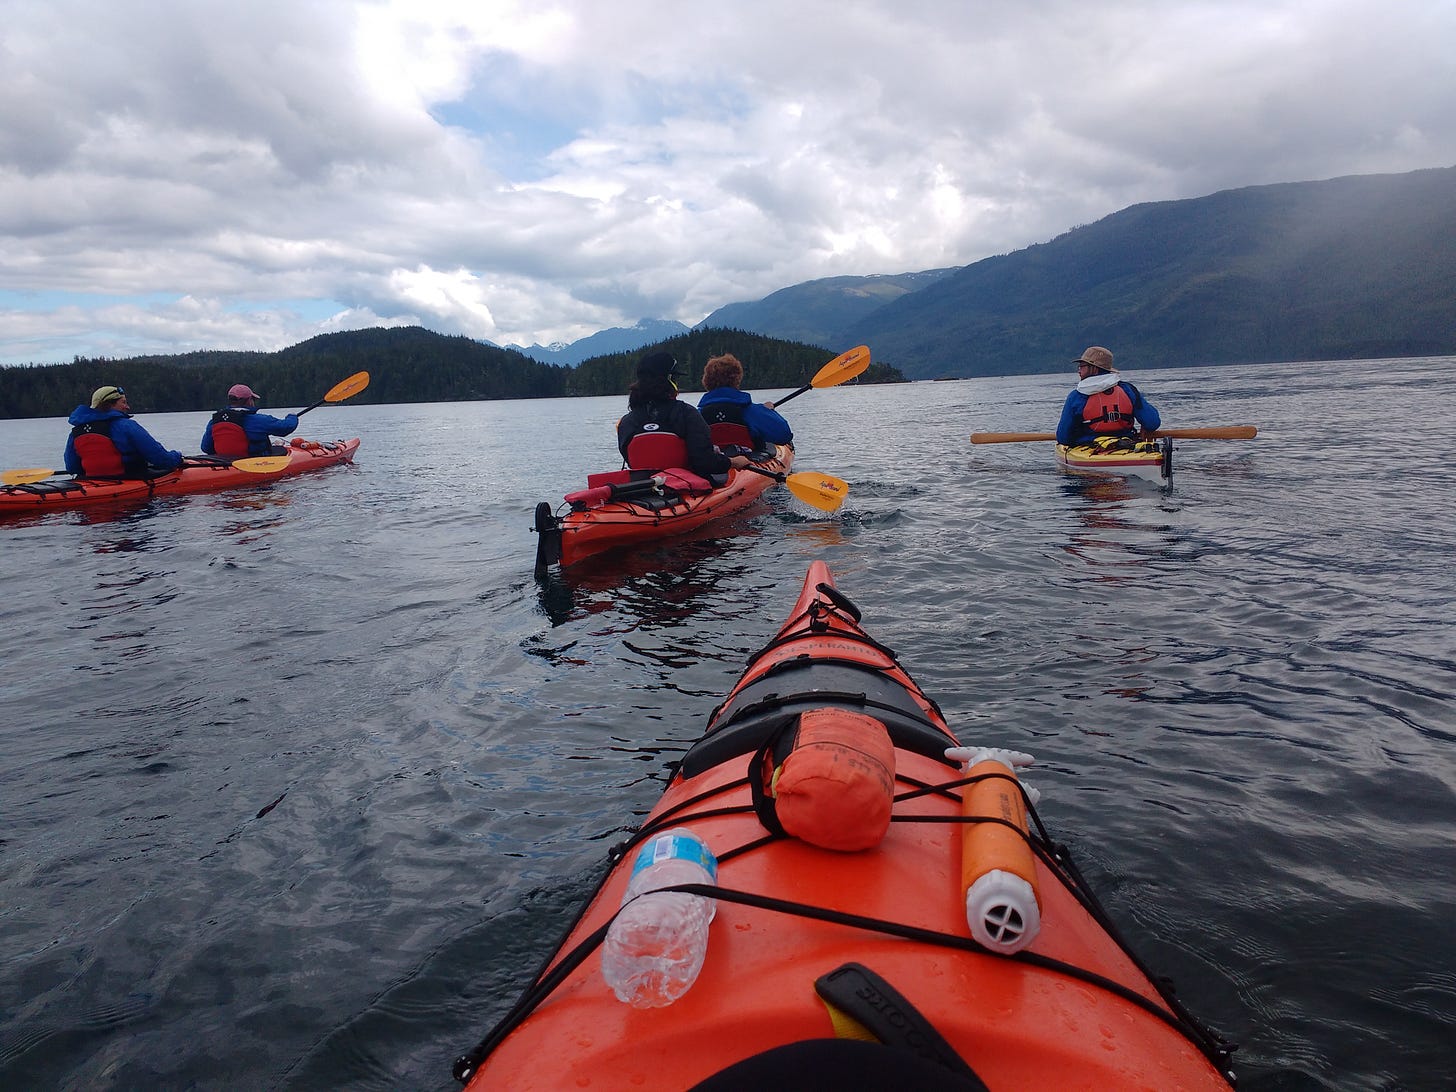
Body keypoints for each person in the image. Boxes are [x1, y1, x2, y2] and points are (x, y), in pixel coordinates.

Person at [617, 351, 751, 481]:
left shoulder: (627, 422)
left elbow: (630, 460)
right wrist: (732, 462)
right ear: (670, 380)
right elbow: (704, 462)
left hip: (645, 488)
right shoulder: (687, 414)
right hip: (686, 487)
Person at [64, 385, 185, 478]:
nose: (127, 407)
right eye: (123, 402)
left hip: (91, 483)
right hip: (130, 481)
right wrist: (177, 457)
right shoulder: (126, 426)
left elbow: (72, 467)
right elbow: (161, 459)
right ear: (109, 405)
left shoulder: (76, 432)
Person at [1055, 346, 1161, 446]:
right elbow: (1152, 422)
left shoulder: (1076, 396)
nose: (1079, 370)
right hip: (1126, 445)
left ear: (1094, 368)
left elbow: (1063, 437)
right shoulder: (1127, 389)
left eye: (1082, 366)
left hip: (1089, 447)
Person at [696, 353, 794, 453]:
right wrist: (769, 412)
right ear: (737, 380)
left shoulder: (697, 415)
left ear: (706, 381)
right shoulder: (751, 411)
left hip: (711, 463)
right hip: (748, 461)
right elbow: (784, 436)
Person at [201, 383, 298, 457]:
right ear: (249, 401)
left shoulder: (214, 421)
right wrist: (292, 416)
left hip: (224, 462)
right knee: (279, 450)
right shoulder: (258, 420)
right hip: (253, 462)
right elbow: (286, 427)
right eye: (253, 399)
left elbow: (206, 448)